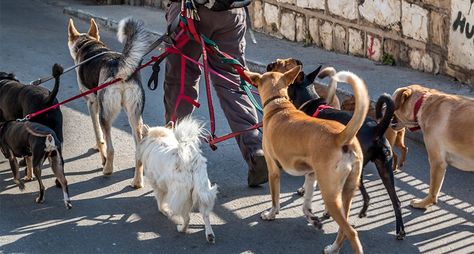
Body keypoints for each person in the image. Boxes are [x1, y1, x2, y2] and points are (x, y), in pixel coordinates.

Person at [163, 1, 268, 187]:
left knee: (180, 80)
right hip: (232, 12)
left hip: (191, 12)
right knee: (233, 82)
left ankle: (175, 153)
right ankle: (255, 150)